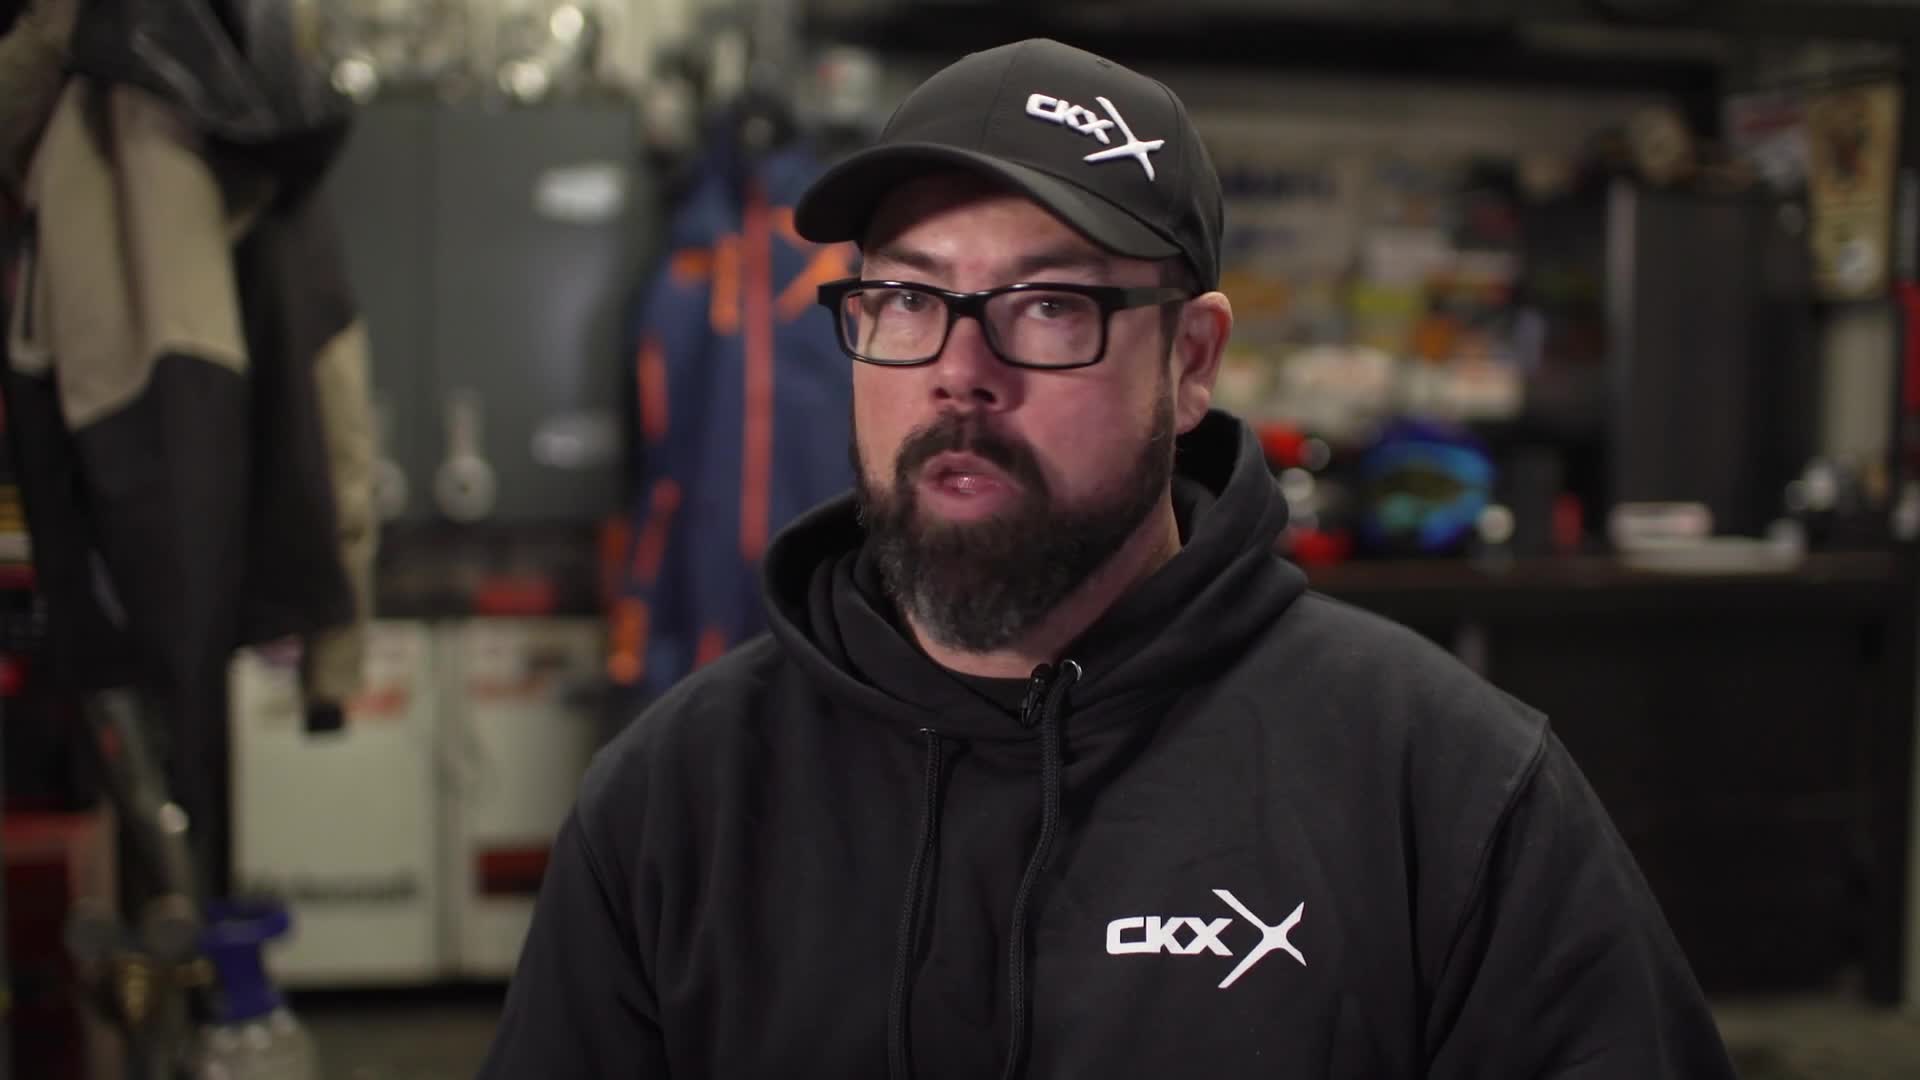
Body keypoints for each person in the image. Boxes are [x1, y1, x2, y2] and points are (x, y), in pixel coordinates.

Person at [478, 38, 1739, 1079]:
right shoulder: (679, 801)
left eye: (1049, 306)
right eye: (908, 299)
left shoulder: (1443, 788)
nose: (960, 373)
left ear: (1190, 363)